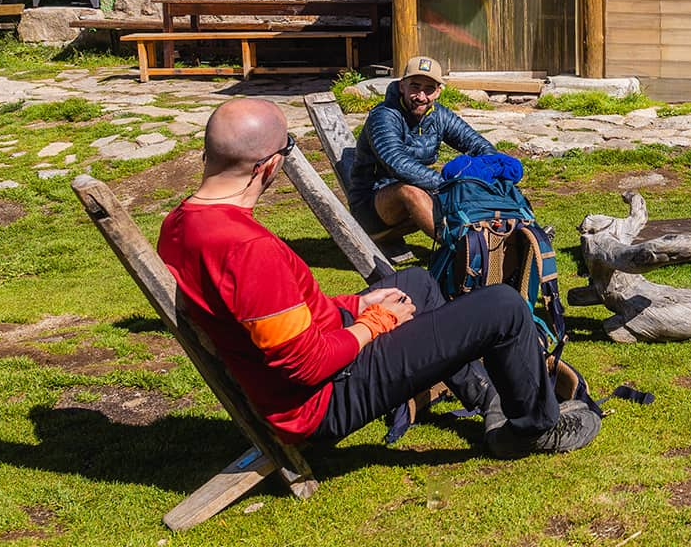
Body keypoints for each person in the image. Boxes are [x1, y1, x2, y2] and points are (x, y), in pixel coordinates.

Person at [157, 97, 598, 455]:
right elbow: (304, 365)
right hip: (322, 401)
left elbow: (265, 316)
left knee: (418, 284)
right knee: (503, 306)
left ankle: (486, 395)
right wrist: (372, 325)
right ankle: (533, 428)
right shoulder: (248, 249)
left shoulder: (181, 223)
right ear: (269, 167)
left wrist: (354, 306)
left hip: (302, 368)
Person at [347, 55, 496, 248]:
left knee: (482, 180)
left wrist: (494, 169)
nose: (421, 96)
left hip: (422, 194)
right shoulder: (384, 116)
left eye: (429, 89)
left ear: (438, 92)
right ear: (402, 86)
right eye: (415, 87)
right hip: (372, 205)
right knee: (411, 192)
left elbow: (479, 146)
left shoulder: (439, 115)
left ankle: (511, 237)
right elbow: (397, 163)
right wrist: (447, 184)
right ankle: (460, 249)